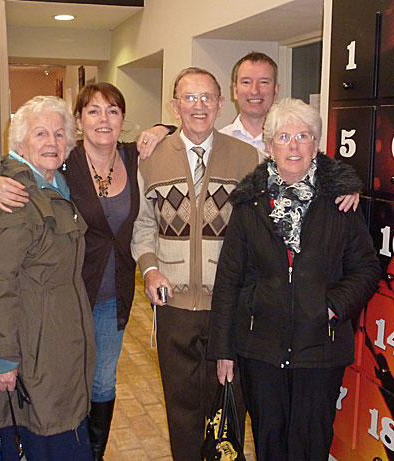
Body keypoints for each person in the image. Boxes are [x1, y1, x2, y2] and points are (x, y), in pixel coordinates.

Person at [0, 83, 172, 460]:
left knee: (99, 383)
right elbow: (5, 165)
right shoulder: (66, 161)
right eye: (93, 110)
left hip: (110, 295)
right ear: (80, 121)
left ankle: (91, 451)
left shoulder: (133, 157)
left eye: (113, 111)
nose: (104, 119)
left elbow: (186, 133)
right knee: (54, 390)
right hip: (68, 295)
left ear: (124, 119)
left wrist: (163, 129)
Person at [209, 98, 381, 461]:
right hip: (261, 349)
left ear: (315, 145)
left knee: (311, 443)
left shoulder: (340, 203)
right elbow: (229, 280)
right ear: (269, 147)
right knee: (270, 441)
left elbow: (366, 268)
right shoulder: (248, 205)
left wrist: (331, 308)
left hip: (320, 348)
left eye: (303, 135)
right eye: (284, 136)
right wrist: (223, 350)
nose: (294, 145)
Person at [130, 66, 259, 460]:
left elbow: (257, 229)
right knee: (181, 405)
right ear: (174, 106)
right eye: (189, 98)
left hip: (229, 306)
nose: (198, 106)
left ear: (222, 104)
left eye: (207, 98)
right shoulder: (152, 158)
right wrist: (150, 268)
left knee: (228, 400)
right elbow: (143, 225)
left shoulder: (246, 157)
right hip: (174, 307)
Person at [0, 96, 95, 459]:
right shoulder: (13, 198)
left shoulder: (56, 186)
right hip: (30, 353)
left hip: (57, 348)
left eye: (58, 134)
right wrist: (1, 360)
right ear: (19, 144)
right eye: (40, 134)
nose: (52, 142)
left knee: (60, 433)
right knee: (41, 439)